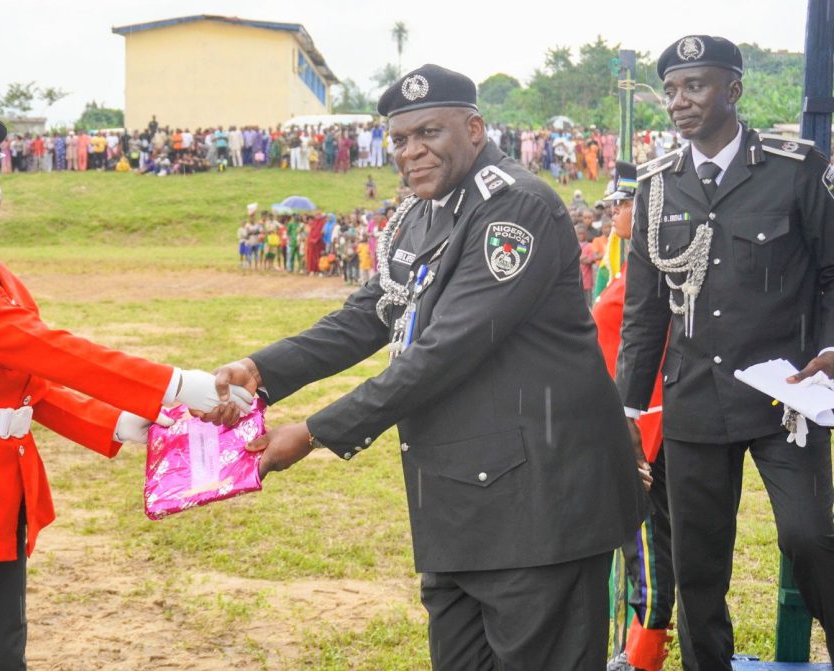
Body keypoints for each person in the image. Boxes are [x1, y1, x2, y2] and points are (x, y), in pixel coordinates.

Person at [205, 64, 645, 670]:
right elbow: (369, 315)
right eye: (400, 139)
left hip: (541, 506)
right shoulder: (423, 211)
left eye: (429, 133)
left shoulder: (513, 209)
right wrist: (262, 369)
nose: (411, 152)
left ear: (474, 127)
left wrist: (313, 434)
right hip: (460, 504)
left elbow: (444, 351)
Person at [0, 116, 251, 670]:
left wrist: (118, 420)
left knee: (0, 657)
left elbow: (25, 381)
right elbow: (44, 350)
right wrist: (173, 385)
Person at [617, 36, 834, 669]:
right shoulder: (657, 188)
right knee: (697, 567)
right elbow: (644, 311)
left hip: (785, 394)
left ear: (733, 90)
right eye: (672, 89)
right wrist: (629, 410)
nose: (679, 101)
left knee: (809, 536)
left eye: (696, 86)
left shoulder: (797, 168)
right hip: (696, 398)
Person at [595, 162, 674, 671]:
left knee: (646, 548)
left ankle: (641, 658)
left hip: (644, 424)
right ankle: (632, 647)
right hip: (616, 420)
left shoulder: (652, 269)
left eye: (619, 204)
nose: (611, 213)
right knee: (637, 546)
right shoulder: (623, 265)